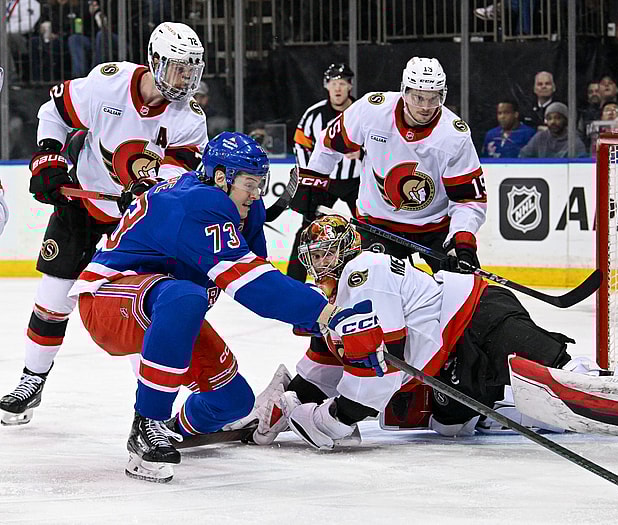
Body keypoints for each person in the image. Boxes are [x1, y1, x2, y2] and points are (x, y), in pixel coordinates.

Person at [237, 214, 618, 464]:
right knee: (451, 423)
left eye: (323, 255)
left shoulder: (362, 271)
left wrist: (323, 418)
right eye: (312, 256)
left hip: (480, 317)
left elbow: (374, 370)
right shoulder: (341, 294)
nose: (315, 265)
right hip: (453, 352)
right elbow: (325, 363)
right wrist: (283, 400)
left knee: (560, 377)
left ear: (341, 252)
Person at [67, 132, 352, 482]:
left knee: (233, 402)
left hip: (168, 308)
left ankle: (170, 431)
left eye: (261, 184)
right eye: (250, 183)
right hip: (109, 302)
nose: (257, 192)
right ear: (221, 177)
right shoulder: (197, 203)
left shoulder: (242, 208)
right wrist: (324, 313)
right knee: (187, 296)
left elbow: (257, 269)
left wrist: (316, 321)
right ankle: (147, 424)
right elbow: (251, 285)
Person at [0, 21, 209, 426]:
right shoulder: (108, 84)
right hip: (81, 208)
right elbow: (53, 113)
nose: (186, 78)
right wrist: (49, 157)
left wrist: (151, 190)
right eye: (178, 67)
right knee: (52, 300)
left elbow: (180, 175)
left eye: (192, 69)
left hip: (134, 225)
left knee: (133, 313)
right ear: (155, 61)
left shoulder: (189, 119)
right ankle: (32, 380)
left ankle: (154, 413)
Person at [293, 56, 486, 275]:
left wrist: (461, 241)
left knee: (466, 290)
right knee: (368, 292)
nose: (425, 107)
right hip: (378, 225)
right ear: (404, 91)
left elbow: (468, 200)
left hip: (435, 228)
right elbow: (329, 144)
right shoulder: (372, 111)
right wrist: (314, 184)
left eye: (433, 99)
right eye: (418, 97)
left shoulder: (454, 136)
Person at [287, 63, 362, 283]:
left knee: (373, 230)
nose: (337, 88)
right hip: (324, 183)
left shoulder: (363, 112)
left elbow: (382, 145)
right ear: (326, 86)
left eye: (342, 83)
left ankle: (372, 277)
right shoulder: (314, 114)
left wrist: (363, 152)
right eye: (333, 84)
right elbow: (300, 143)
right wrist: (309, 176)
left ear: (350, 86)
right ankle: (293, 282)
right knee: (307, 230)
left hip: (357, 182)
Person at [519, 102, 586, 158]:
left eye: (557, 118)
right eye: (549, 118)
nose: (553, 122)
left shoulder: (574, 141)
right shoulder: (540, 137)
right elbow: (523, 156)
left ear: (566, 120)